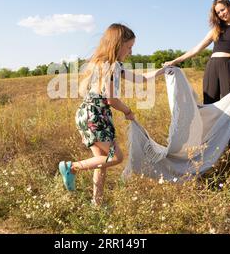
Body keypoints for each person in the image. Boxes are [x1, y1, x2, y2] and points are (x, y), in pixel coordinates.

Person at [59, 23, 166, 206]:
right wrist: (128, 111)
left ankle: (97, 204)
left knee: (101, 163)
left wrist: (164, 70)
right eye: (129, 47)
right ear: (118, 44)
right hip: (96, 116)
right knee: (116, 158)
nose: (131, 52)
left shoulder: (104, 64)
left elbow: (141, 78)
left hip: (89, 114)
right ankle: (72, 167)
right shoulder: (111, 67)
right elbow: (112, 100)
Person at [164, 0, 230, 144]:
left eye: (223, 9)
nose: (221, 14)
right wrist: (176, 61)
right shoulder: (216, 29)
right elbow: (197, 48)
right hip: (212, 67)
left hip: (229, 66)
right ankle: (209, 144)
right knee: (210, 104)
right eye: (218, 12)